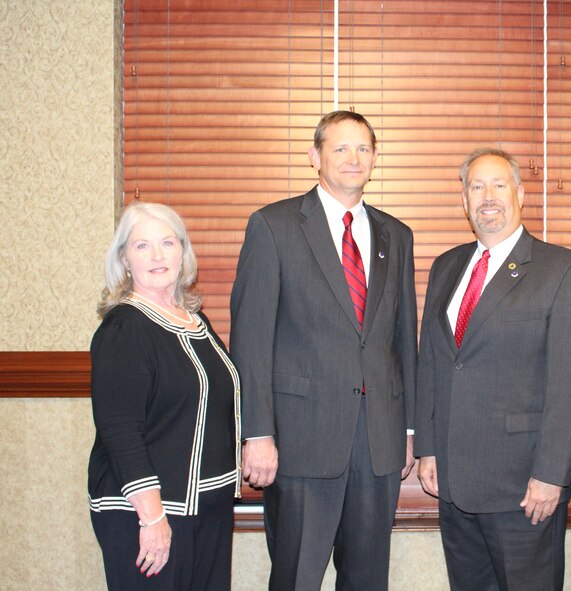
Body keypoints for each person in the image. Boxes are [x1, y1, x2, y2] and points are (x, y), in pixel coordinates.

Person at [229, 110, 417, 591]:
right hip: (299, 442)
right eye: (340, 148)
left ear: (375, 159)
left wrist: (411, 429)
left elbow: (402, 341)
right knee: (296, 577)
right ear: (315, 157)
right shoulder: (273, 226)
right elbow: (250, 340)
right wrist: (257, 433)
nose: (353, 159)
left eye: (363, 149)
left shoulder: (396, 235)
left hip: (378, 443)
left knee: (367, 579)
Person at [414, 148, 571, 590]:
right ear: (464, 200)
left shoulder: (563, 270)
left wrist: (551, 474)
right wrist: (428, 448)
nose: (487, 196)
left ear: (519, 194)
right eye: (476, 187)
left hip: (523, 488)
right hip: (455, 485)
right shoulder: (446, 267)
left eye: (498, 185)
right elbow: (435, 364)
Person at [88, 202, 241, 590]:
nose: (157, 255)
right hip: (149, 514)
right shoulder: (124, 329)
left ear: (183, 252)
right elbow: (120, 431)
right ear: (124, 259)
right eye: (142, 246)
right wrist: (152, 518)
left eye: (167, 242)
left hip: (207, 511)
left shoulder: (196, 321)